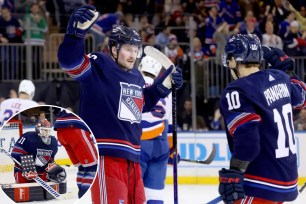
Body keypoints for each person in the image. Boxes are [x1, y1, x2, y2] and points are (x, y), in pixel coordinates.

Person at [57, 5, 183, 204]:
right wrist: (75, 35)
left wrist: (162, 86)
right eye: (127, 49)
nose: (133, 55)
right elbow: (70, 64)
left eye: (135, 50)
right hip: (107, 156)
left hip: (132, 158)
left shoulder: (135, 76)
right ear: (114, 49)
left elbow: (138, 107)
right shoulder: (100, 64)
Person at [218, 34, 306, 203]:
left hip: (259, 184)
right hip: (286, 181)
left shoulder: (237, 90)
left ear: (233, 60)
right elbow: (302, 97)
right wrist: (288, 70)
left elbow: (248, 138)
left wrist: (235, 172)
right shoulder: (280, 77)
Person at [138, 56, 172, 203]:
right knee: (155, 196)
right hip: (161, 145)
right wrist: (172, 148)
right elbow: (169, 122)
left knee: (134, 194)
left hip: (139, 143)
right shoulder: (166, 90)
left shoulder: (134, 83)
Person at [54, 109, 98, 198]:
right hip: (75, 128)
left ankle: (81, 194)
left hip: (61, 131)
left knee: (82, 167)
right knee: (92, 167)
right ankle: (83, 194)